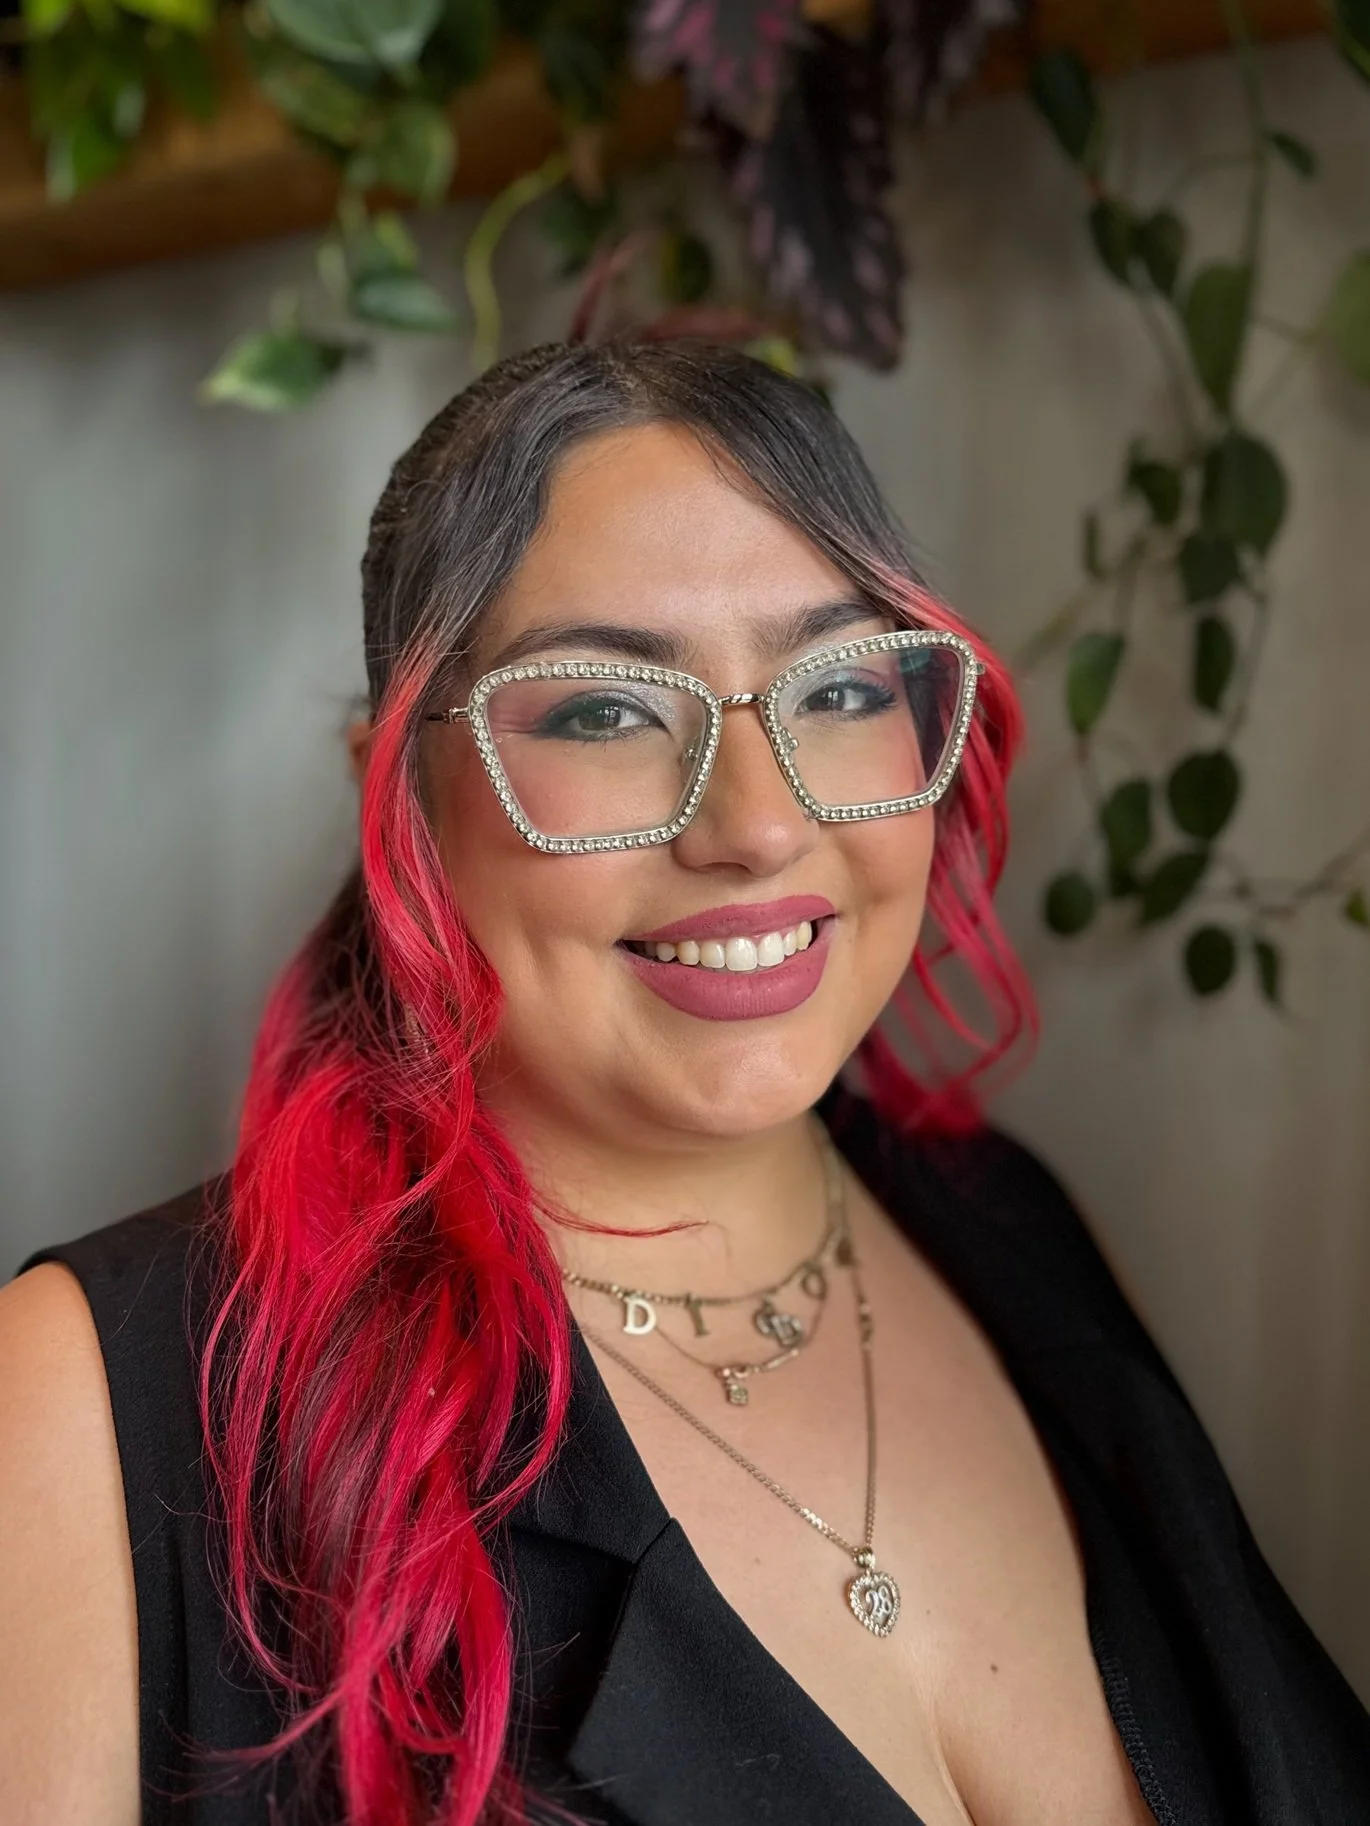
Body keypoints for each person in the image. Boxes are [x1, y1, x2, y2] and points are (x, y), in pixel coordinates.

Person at [2, 340, 1368, 1826]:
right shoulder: (90, 1400)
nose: (757, 827)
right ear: (398, 798)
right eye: (604, 709)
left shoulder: (1017, 1229)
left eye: (838, 685)